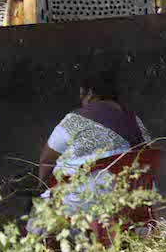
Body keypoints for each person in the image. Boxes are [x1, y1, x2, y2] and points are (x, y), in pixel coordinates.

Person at [28, 72, 152, 232]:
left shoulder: (75, 119)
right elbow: (149, 154)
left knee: (36, 220)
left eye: (82, 96)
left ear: (90, 93)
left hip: (83, 207)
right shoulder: (135, 121)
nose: (82, 103)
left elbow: (47, 160)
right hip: (132, 206)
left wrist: (41, 187)